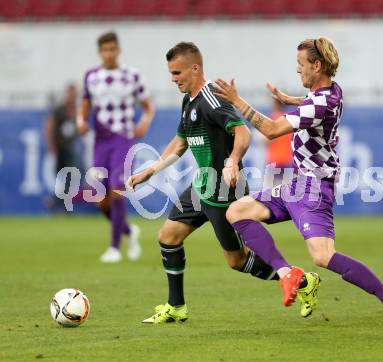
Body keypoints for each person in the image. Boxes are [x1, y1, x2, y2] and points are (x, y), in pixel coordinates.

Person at [214, 37, 383, 330]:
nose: (298, 71)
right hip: (297, 184)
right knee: (237, 211)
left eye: (301, 65)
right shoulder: (333, 91)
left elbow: (269, 130)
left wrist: (236, 100)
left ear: (317, 65)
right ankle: (286, 272)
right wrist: (290, 100)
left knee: (322, 256)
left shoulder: (319, 103)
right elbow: (314, 103)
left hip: (314, 187)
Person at [126, 42, 321, 324]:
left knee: (237, 260)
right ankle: (176, 306)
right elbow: (181, 141)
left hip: (224, 190)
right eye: (171, 73)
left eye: (177, 72)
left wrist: (232, 161)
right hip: (201, 186)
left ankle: (302, 281)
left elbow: (243, 133)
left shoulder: (212, 99)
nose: (174, 78)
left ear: (195, 68)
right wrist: (153, 169)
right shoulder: (188, 100)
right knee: (168, 237)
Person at [76, 31, 155, 263]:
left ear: (118, 50)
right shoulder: (91, 76)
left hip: (123, 139)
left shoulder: (131, 75)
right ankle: (129, 232)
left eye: (112, 49)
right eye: (105, 50)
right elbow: (85, 104)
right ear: (100, 52)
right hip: (101, 142)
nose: (109, 54)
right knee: (101, 199)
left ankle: (114, 248)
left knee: (117, 189)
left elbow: (148, 105)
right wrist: (80, 121)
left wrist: (144, 122)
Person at [44, 83, 78, 212]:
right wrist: (52, 146)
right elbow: (49, 127)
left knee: (70, 176)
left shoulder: (75, 109)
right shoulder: (59, 109)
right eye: (72, 93)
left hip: (69, 148)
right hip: (60, 148)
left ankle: (60, 203)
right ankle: (56, 202)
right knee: (61, 176)